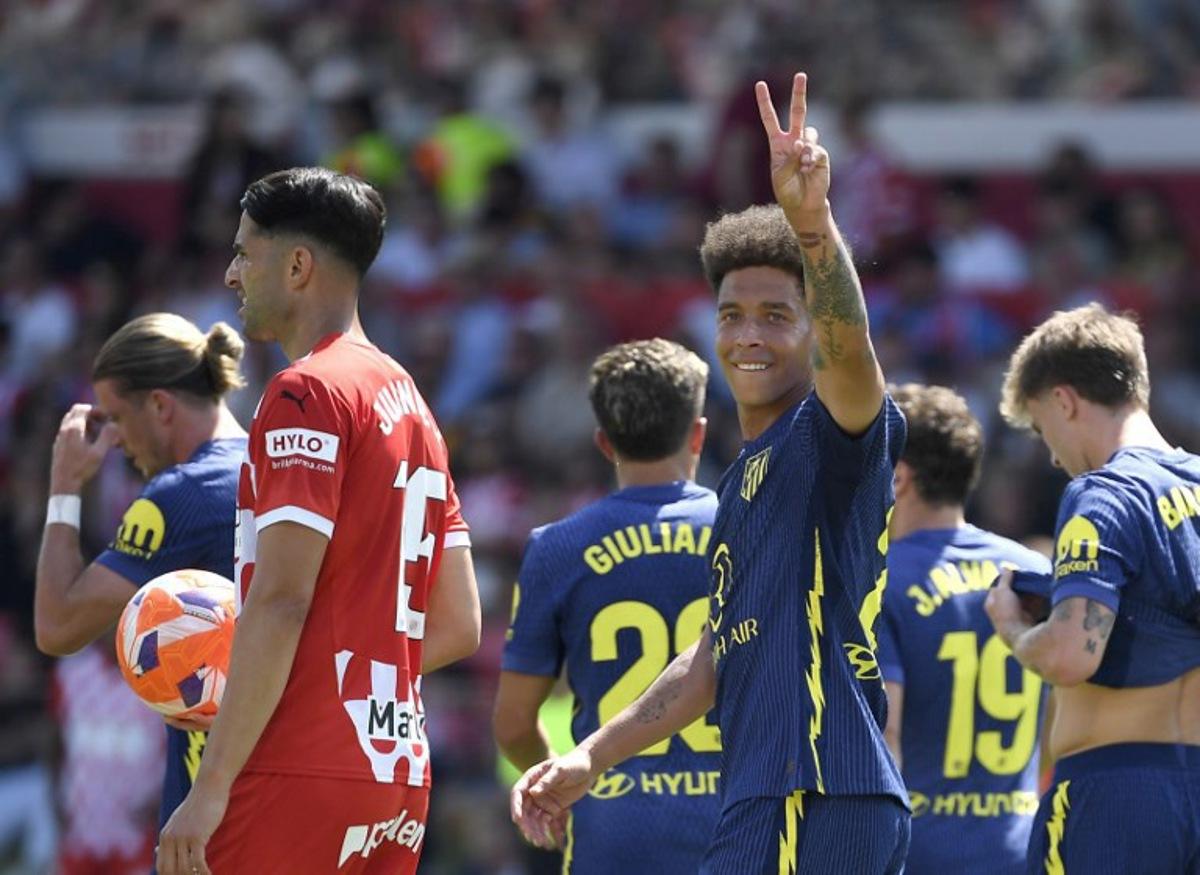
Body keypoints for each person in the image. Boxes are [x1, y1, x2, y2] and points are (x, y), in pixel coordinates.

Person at [512, 72, 910, 874]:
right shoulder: (741, 479)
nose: (747, 335)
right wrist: (591, 755)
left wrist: (814, 229)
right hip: (766, 795)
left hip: (818, 789)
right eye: (731, 315)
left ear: (810, 330)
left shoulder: (829, 432)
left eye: (775, 314)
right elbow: (713, 655)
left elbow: (853, 354)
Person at [157, 167, 481, 875]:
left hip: (296, 766)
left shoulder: (307, 391)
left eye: (245, 252)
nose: (231, 272)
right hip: (396, 776)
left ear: (298, 265)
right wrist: (353, 674)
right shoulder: (412, 403)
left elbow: (281, 598)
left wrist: (209, 785)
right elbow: (459, 622)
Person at [985, 303, 1200, 873]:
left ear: (1064, 400)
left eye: (1041, 429)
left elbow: (1069, 654)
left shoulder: (1104, 493)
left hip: (1117, 798)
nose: (1053, 456)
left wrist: (1013, 625)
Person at [493, 338, 721, 874]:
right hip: (740, 827)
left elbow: (512, 725)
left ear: (603, 442)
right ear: (698, 434)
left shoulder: (557, 547)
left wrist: (561, 784)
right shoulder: (749, 528)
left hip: (614, 834)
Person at [33, 312, 248, 837]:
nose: (114, 443)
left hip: (214, 808)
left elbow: (58, 626)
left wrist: (64, 486)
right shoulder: (273, 466)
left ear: (159, 405)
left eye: (116, 418)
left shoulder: (181, 495)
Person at [875, 384, 1051, 874]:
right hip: (1021, 849)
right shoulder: (1032, 570)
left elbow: (885, 731)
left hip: (921, 854)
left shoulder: (880, 580)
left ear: (898, 478)